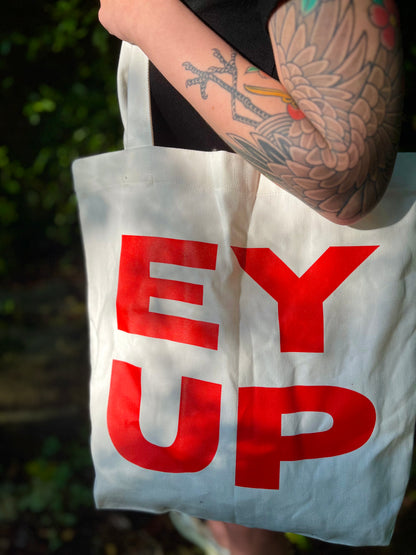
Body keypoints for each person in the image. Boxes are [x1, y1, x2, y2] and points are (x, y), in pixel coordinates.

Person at [97, 1, 403, 553]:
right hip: (208, 275)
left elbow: (343, 177)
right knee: (229, 506)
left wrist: (145, 18)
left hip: (295, 285)